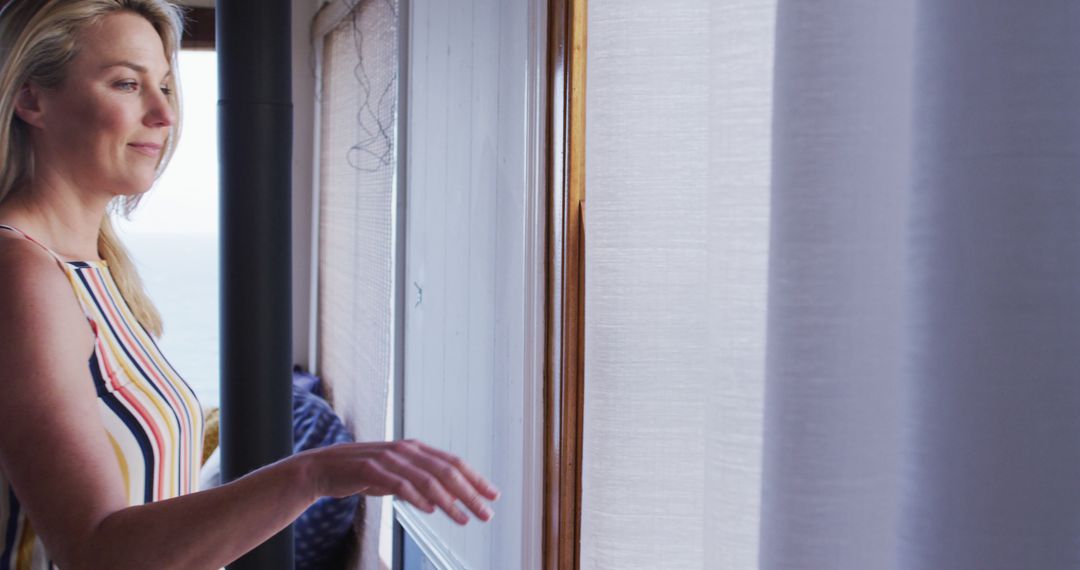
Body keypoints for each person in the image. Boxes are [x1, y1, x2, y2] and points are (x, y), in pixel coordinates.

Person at [0, 1, 498, 568]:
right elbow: (96, 552)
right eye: (126, 83)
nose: (164, 113)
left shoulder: (93, 270)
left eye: (165, 85)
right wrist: (314, 473)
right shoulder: (23, 275)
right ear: (30, 98)